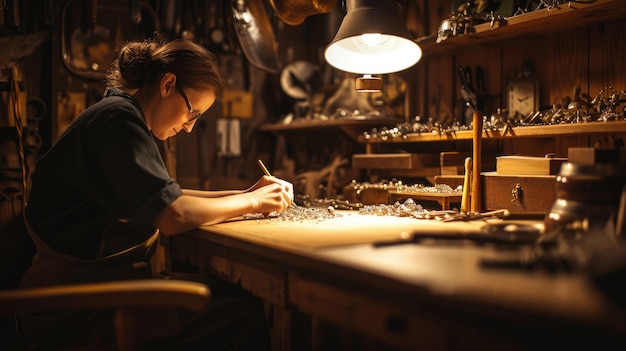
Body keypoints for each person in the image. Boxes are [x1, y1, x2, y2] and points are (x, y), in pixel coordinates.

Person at [19, 36, 293, 350]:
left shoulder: (119, 115)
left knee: (231, 295)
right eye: (193, 112)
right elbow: (172, 215)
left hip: (90, 289)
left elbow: (166, 196)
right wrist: (255, 202)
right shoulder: (118, 121)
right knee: (244, 318)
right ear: (168, 84)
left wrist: (246, 193)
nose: (190, 127)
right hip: (78, 306)